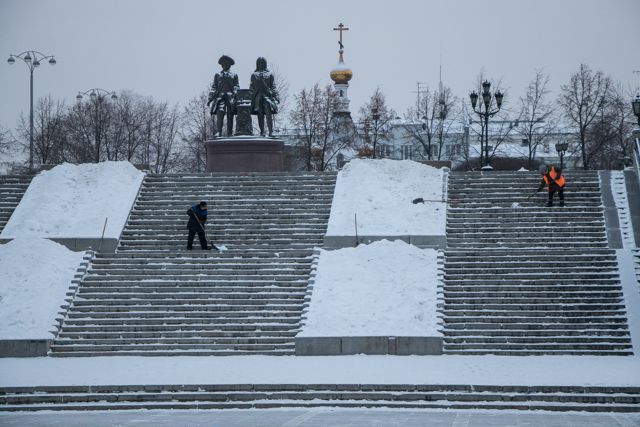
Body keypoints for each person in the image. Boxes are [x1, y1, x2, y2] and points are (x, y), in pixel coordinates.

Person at [208, 55, 239, 137]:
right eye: (224, 63)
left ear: (230, 65)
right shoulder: (217, 75)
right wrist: (210, 97)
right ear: (221, 65)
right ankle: (219, 131)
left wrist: (236, 93)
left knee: (230, 114)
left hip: (230, 97)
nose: (225, 65)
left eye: (227, 63)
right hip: (220, 97)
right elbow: (214, 87)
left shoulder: (234, 75)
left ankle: (229, 132)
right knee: (220, 112)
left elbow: (236, 86)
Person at [249, 57, 279, 137]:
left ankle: (271, 131)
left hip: (267, 97)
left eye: (262, 63)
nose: (261, 64)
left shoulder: (269, 74)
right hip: (257, 97)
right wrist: (249, 98)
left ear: (265, 64)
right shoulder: (254, 75)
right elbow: (251, 88)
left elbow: (273, 86)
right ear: (257, 64)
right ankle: (262, 132)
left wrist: (276, 96)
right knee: (260, 115)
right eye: (259, 63)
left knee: (268, 113)